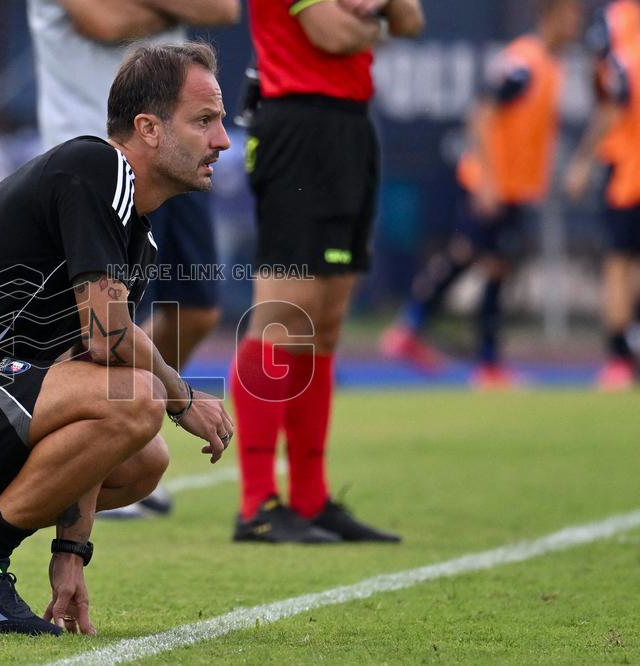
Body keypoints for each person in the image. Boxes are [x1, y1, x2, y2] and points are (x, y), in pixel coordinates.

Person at [0, 43, 233, 637]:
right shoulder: (97, 168)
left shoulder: (139, 240)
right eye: (204, 120)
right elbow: (109, 337)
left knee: (141, 462)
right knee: (138, 400)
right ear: (148, 128)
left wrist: (71, 554)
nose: (223, 141)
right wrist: (184, 400)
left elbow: (93, 378)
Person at [28, 0, 240, 518]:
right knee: (104, 326)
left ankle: (118, 442)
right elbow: (105, 22)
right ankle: (93, 459)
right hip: (96, 152)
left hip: (171, 147)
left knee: (198, 308)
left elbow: (222, 9)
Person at [230, 0, 423, 545]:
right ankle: (257, 505)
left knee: (325, 323)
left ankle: (310, 500)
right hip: (297, 126)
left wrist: (375, 16)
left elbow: (413, 18)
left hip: (350, 127)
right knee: (282, 316)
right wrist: (375, 21)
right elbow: (333, 33)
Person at [381, 0, 582, 389]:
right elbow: (482, 113)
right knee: (481, 261)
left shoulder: (549, 65)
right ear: (550, 18)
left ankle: (423, 332)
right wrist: (489, 181)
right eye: (570, 15)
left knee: (480, 259)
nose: (576, 23)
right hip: (495, 185)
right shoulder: (525, 64)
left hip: (515, 186)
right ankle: (467, 353)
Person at [565, 0, 640, 390]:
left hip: (628, 169)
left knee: (619, 263)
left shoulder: (618, 38)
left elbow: (611, 103)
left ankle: (619, 357)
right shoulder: (619, 26)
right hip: (627, 165)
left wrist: (581, 161)